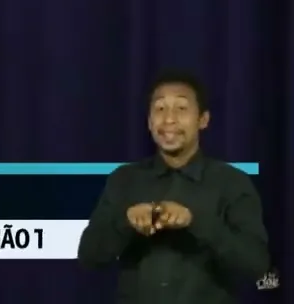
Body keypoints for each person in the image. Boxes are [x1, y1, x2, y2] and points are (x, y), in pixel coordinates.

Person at [77, 70, 270, 303]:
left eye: (181, 108)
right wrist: (125, 222)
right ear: (149, 122)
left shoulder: (232, 182)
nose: (169, 119)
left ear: (203, 120)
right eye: (160, 109)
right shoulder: (124, 179)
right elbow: (89, 256)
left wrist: (195, 222)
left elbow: (257, 264)